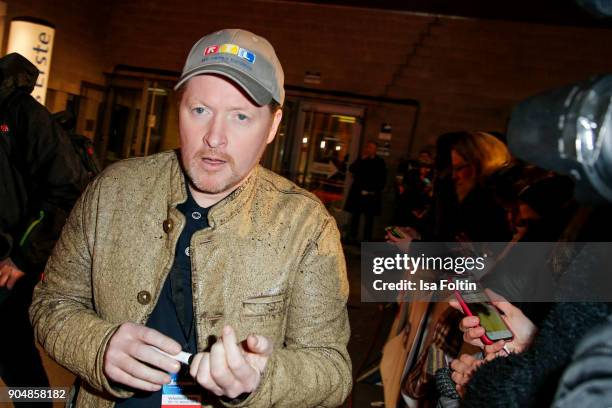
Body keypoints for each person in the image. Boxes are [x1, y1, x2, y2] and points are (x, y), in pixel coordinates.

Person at [30, 29, 351, 407]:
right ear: (179, 107)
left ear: (274, 125)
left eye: (241, 116)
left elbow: (332, 368)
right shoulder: (112, 191)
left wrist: (260, 379)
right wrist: (98, 347)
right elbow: (52, 303)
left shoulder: (307, 226)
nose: (215, 137)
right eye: (200, 110)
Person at [0, 53, 88, 405]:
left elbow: (67, 188)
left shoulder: (22, 113)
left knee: (14, 353)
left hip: (11, 261)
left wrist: (21, 258)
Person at [344, 140, 387, 242]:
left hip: (371, 195)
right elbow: (352, 169)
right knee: (355, 216)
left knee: (369, 219)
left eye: (371, 148)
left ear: (375, 150)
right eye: (368, 147)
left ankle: (366, 240)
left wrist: (375, 190)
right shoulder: (362, 159)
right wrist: (360, 160)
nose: (369, 150)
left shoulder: (380, 162)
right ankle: (352, 237)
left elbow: (382, 178)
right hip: (359, 194)